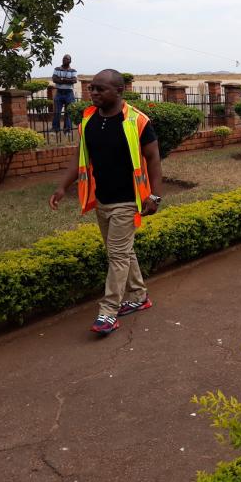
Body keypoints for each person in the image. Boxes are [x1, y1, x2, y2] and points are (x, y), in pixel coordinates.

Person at [49, 69, 163, 335]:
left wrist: (155, 196)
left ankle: (108, 311)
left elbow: (154, 159)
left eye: (101, 89)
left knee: (117, 255)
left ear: (119, 91)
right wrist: (62, 187)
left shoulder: (137, 121)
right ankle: (138, 296)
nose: (94, 93)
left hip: (127, 200)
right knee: (122, 252)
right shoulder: (88, 120)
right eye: (92, 89)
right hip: (102, 200)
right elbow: (80, 157)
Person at [52, 54, 78, 134]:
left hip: (69, 93)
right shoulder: (57, 69)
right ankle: (55, 129)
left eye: (66, 59)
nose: (64, 60)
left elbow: (74, 80)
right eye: (63, 58)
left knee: (69, 112)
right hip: (59, 92)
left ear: (70, 61)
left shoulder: (73, 71)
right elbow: (54, 79)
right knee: (57, 112)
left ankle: (67, 130)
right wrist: (67, 80)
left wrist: (62, 79)